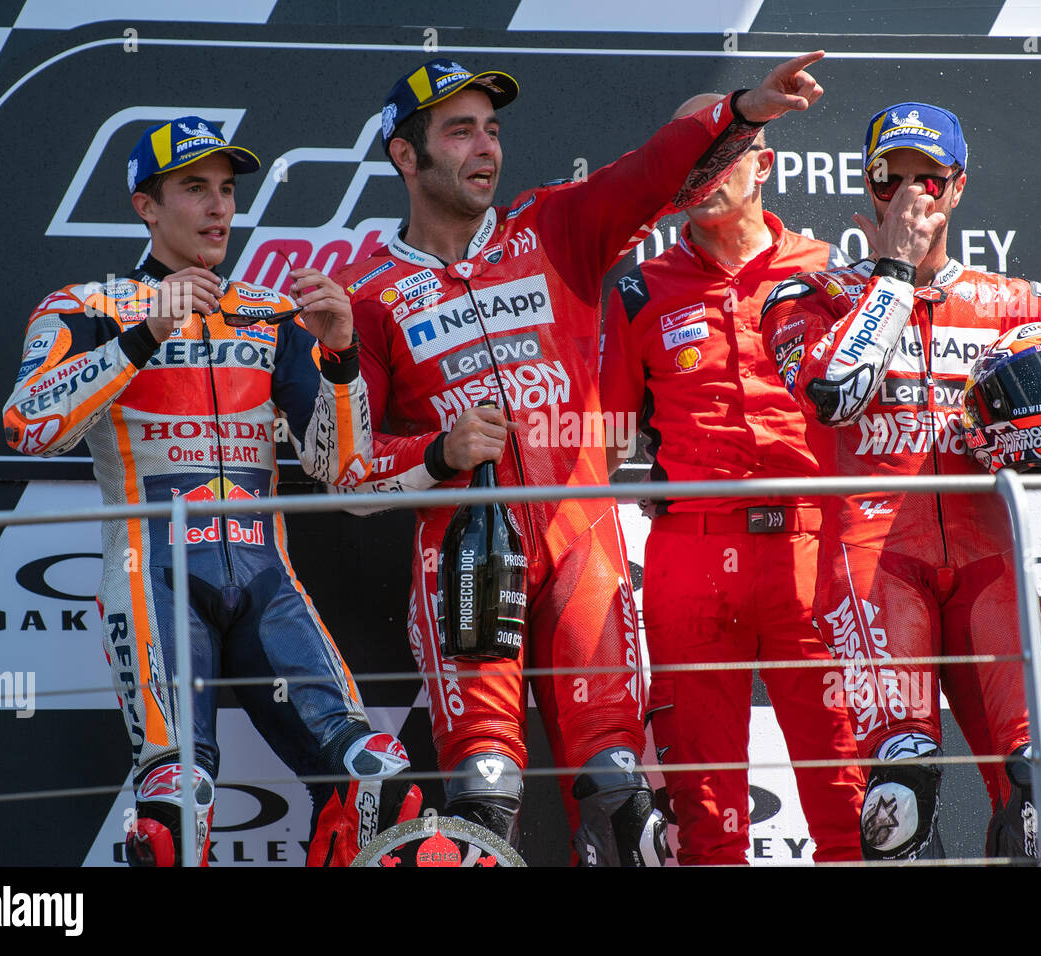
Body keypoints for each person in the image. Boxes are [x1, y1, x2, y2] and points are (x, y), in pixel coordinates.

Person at [334, 54, 830, 865]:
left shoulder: (555, 224)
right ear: (404, 156)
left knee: (617, 792)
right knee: (485, 795)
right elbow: (348, 474)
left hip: (582, 549)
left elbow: (656, 173)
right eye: (460, 132)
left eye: (492, 130)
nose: (485, 147)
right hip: (465, 562)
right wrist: (437, 450)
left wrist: (743, 111)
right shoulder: (370, 296)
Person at [758, 102, 1041, 861]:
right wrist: (890, 273)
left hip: (991, 564)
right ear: (870, 182)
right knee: (898, 799)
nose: (914, 197)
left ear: (959, 189)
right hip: (874, 564)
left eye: (932, 179)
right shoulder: (807, 298)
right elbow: (834, 396)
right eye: (895, 178)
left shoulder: (1014, 304)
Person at [2, 116, 420, 867]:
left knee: (376, 778)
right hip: (152, 579)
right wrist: (143, 338)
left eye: (227, 189)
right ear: (145, 205)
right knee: (176, 808)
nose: (220, 207)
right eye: (195, 188)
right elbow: (30, 426)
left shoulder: (268, 316)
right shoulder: (86, 306)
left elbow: (339, 467)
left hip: (266, 579)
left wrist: (345, 356)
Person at [599, 94, 863, 865]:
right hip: (689, 554)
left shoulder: (831, 275)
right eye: (693, 159)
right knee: (704, 817)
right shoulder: (640, 289)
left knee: (850, 801)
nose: (706, 174)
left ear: (765, 165)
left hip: (815, 554)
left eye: (725, 155)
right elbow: (603, 439)